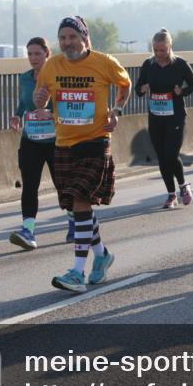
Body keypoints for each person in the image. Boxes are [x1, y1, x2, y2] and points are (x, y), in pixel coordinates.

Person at [34, 16, 131, 293]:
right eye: (62, 38)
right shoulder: (52, 65)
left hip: (95, 141)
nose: (67, 43)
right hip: (64, 143)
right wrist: (40, 101)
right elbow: (41, 96)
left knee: (80, 199)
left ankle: (77, 272)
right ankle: (101, 255)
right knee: (77, 207)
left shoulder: (104, 63)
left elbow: (125, 85)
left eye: (72, 37)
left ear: (84, 37)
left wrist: (117, 110)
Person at [8, 37, 70, 250]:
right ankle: (29, 231)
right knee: (29, 186)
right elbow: (23, 102)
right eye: (30, 54)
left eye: (37, 54)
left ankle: (73, 221)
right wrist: (17, 116)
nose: (33, 58)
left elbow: (68, 102)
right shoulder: (25, 78)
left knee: (62, 184)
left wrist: (52, 113)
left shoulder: (58, 76)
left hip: (55, 141)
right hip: (31, 140)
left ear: (47, 54)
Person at [135, 28, 193, 208]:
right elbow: (138, 89)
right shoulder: (148, 65)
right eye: (155, 50)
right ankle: (171, 195)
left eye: (162, 50)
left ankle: (183, 186)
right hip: (156, 117)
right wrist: (142, 88)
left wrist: (182, 92)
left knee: (171, 154)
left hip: (175, 117)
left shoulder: (180, 64)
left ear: (170, 47)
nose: (159, 54)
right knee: (162, 157)